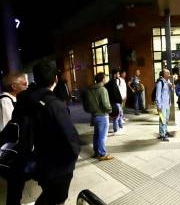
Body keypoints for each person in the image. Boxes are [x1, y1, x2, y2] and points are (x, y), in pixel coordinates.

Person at [13, 60, 80, 205]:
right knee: (57, 199)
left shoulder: (24, 99)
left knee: (48, 194)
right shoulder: (54, 105)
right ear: (55, 78)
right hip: (57, 167)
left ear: (35, 79)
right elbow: (71, 139)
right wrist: (73, 157)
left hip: (36, 161)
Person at [0, 73, 28, 205]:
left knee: (17, 185)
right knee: (15, 185)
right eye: (24, 84)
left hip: (14, 152)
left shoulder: (14, 99)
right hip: (11, 154)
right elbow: (9, 131)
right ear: (13, 86)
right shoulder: (5, 101)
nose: (26, 86)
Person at [89, 72, 113, 160]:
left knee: (96, 135)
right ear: (102, 79)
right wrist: (110, 110)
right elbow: (106, 104)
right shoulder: (102, 89)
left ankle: (96, 152)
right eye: (105, 77)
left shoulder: (92, 89)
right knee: (102, 136)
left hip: (94, 116)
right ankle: (102, 154)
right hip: (102, 116)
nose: (106, 78)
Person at [105, 69, 123, 135]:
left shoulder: (110, 83)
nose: (119, 75)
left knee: (118, 115)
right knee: (116, 116)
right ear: (115, 74)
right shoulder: (112, 83)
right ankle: (116, 130)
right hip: (115, 102)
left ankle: (119, 127)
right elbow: (115, 93)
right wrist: (119, 100)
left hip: (113, 102)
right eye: (118, 74)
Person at [155, 69, 172, 141]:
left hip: (167, 104)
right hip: (162, 105)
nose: (169, 74)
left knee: (166, 119)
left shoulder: (168, 82)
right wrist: (158, 106)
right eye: (168, 73)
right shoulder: (160, 83)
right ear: (164, 74)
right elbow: (158, 95)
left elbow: (170, 92)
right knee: (163, 120)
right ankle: (163, 135)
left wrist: (171, 86)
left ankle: (165, 131)